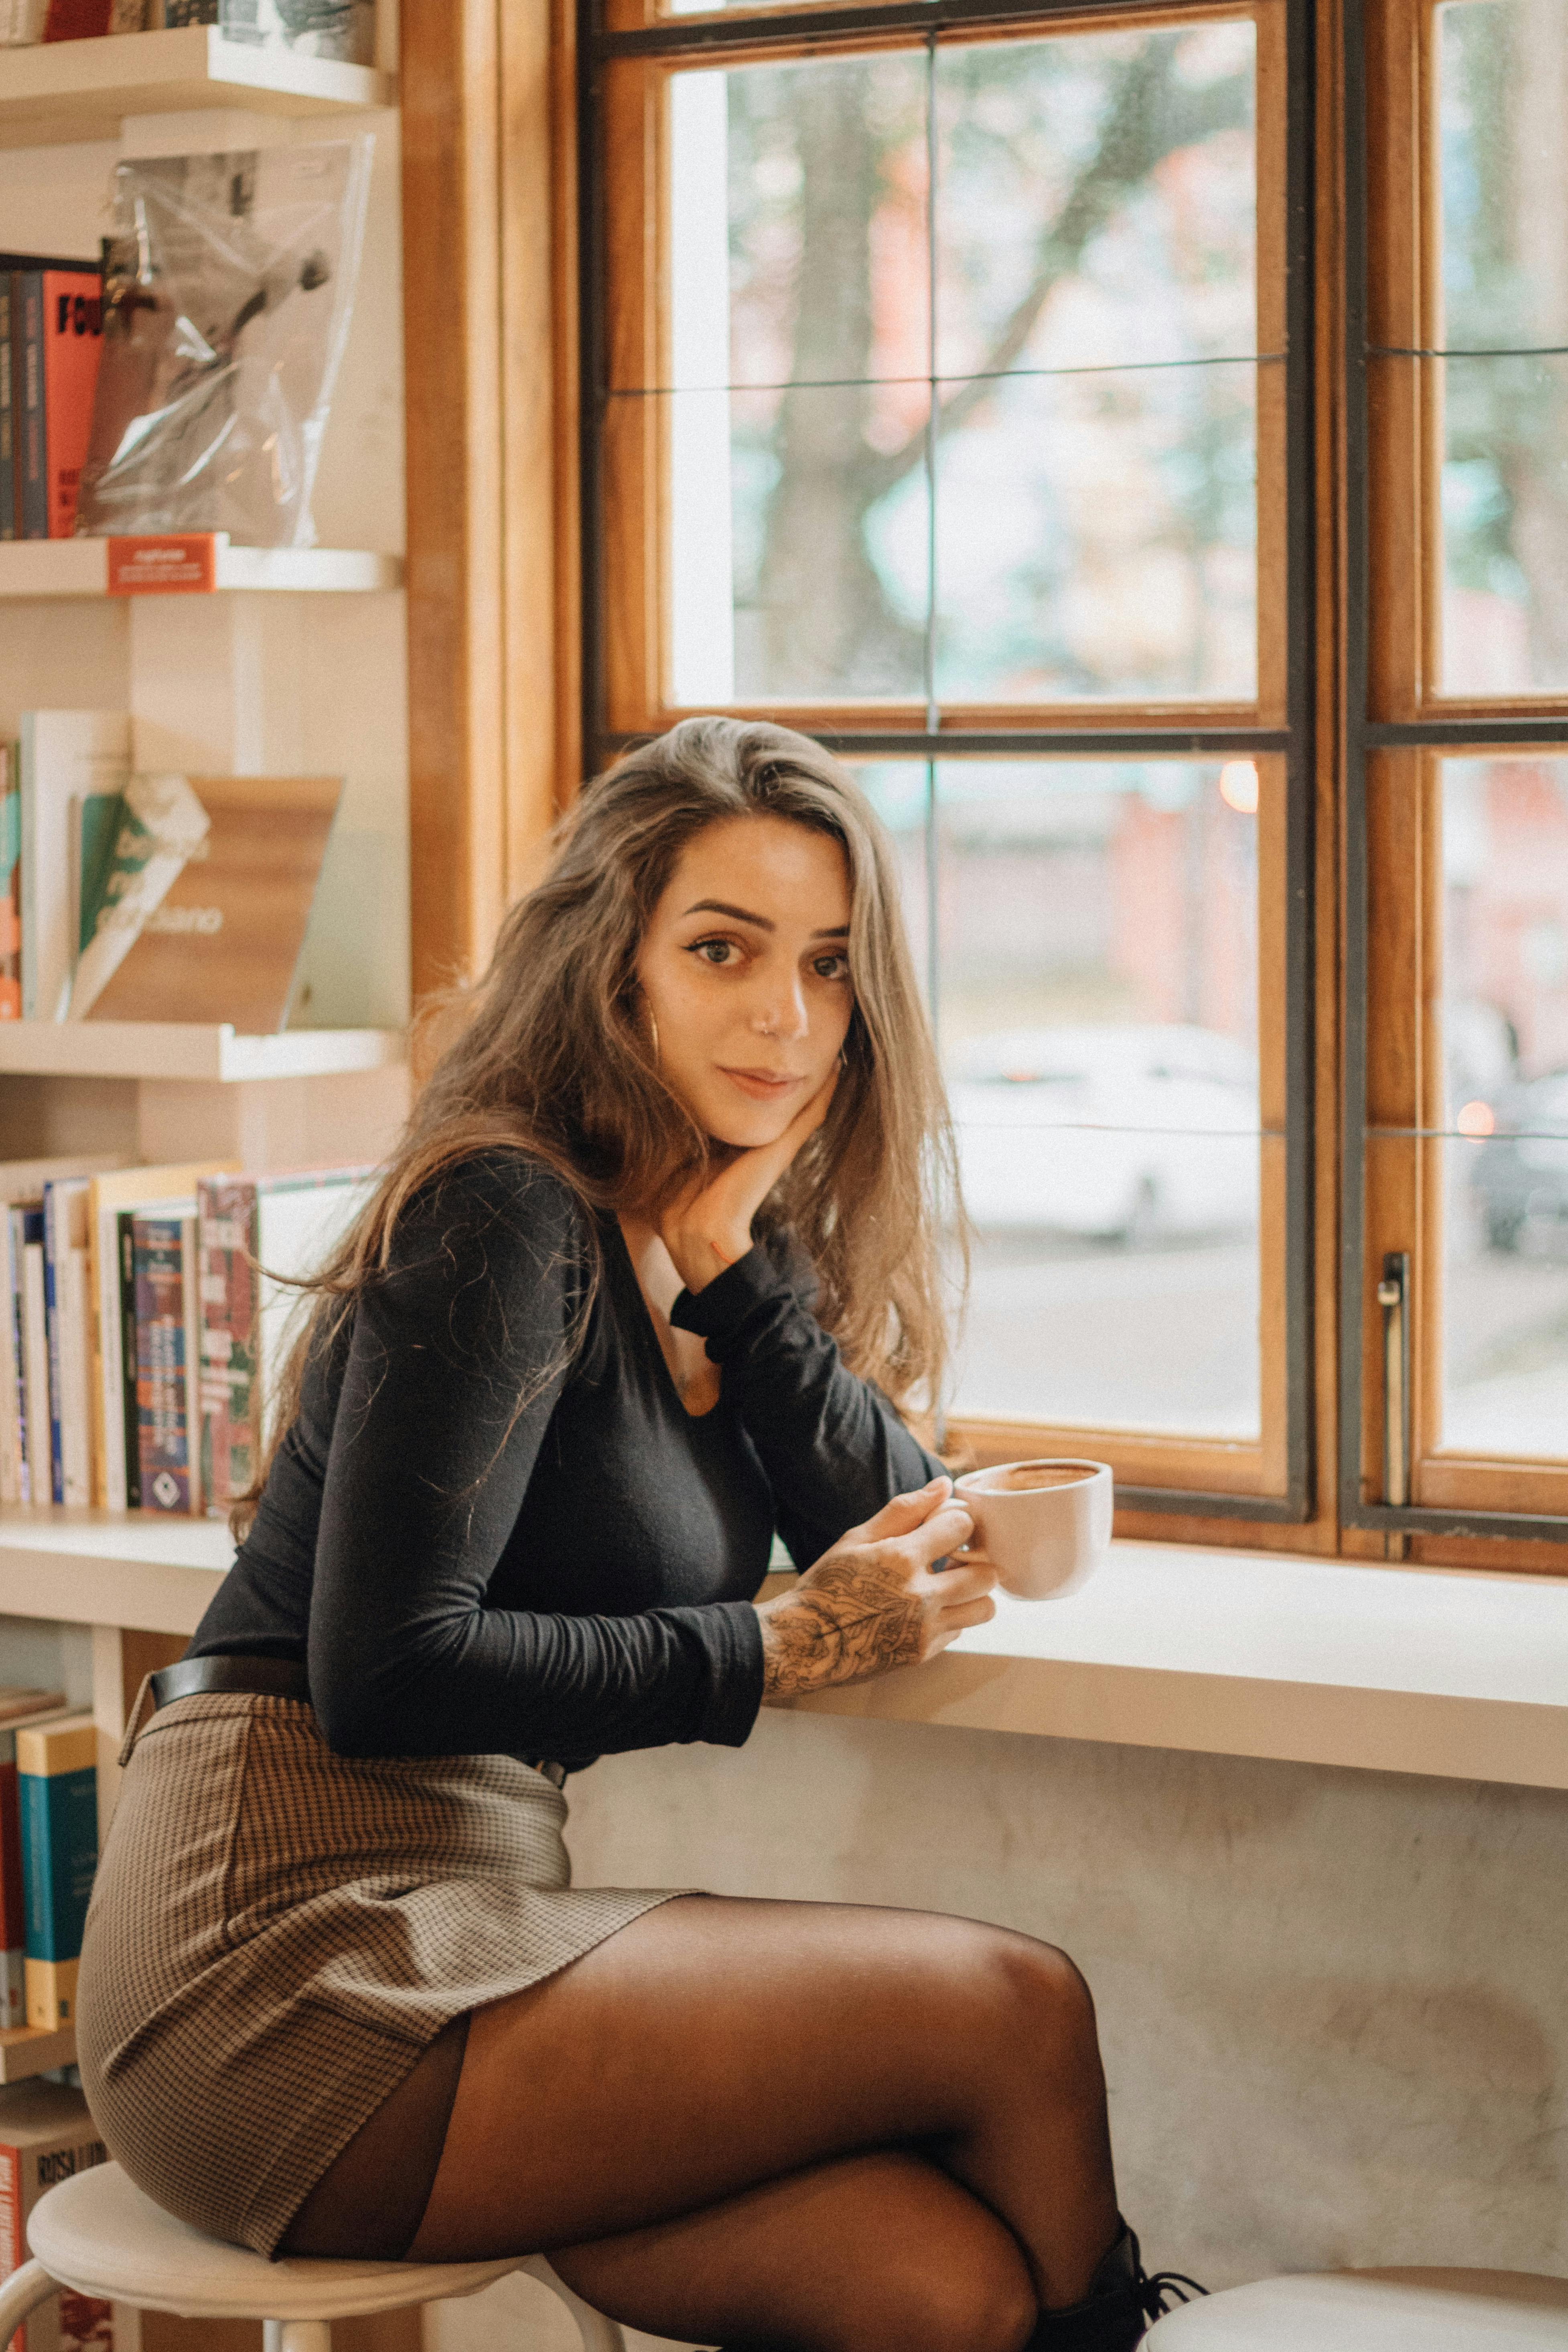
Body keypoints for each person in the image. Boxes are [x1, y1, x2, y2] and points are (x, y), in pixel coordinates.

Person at [77, 720, 1199, 2352]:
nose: (785, 1015)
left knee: (941, 2289)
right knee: (1013, 2007)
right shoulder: (500, 1209)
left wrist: (735, 1265)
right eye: (723, 949)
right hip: (278, 1961)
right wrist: (783, 1639)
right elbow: (385, 1672)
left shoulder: (678, 1227)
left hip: (477, 1920)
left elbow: (904, 1531)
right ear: (614, 965)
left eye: (828, 964)